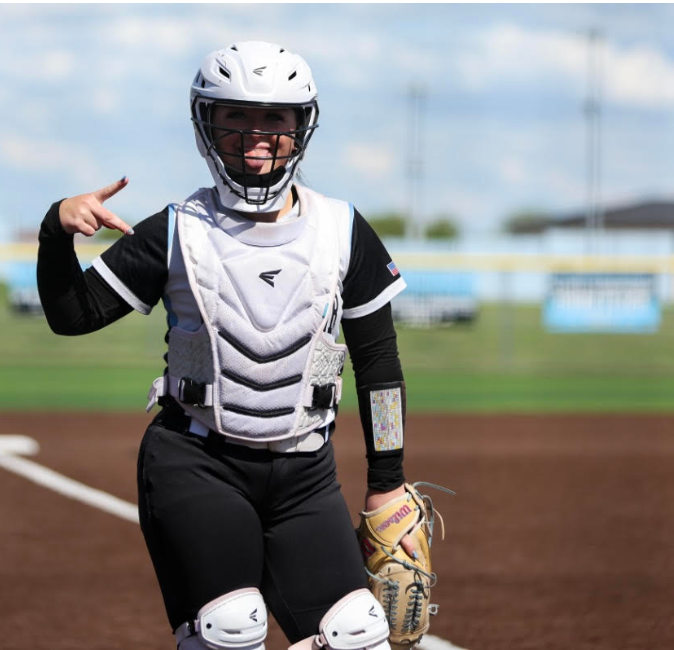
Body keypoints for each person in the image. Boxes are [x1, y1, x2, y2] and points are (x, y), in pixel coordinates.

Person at [37, 41, 415, 650]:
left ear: (301, 127)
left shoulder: (342, 230)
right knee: (231, 629)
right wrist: (54, 230)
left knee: (358, 635)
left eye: (275, 118)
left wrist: (388, 479)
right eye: (235, 116)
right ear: (206, 122)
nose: (255, 135)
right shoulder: (176, 228)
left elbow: (379, 364)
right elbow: (70, 316)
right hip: (196, 464)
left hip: (305, 473)